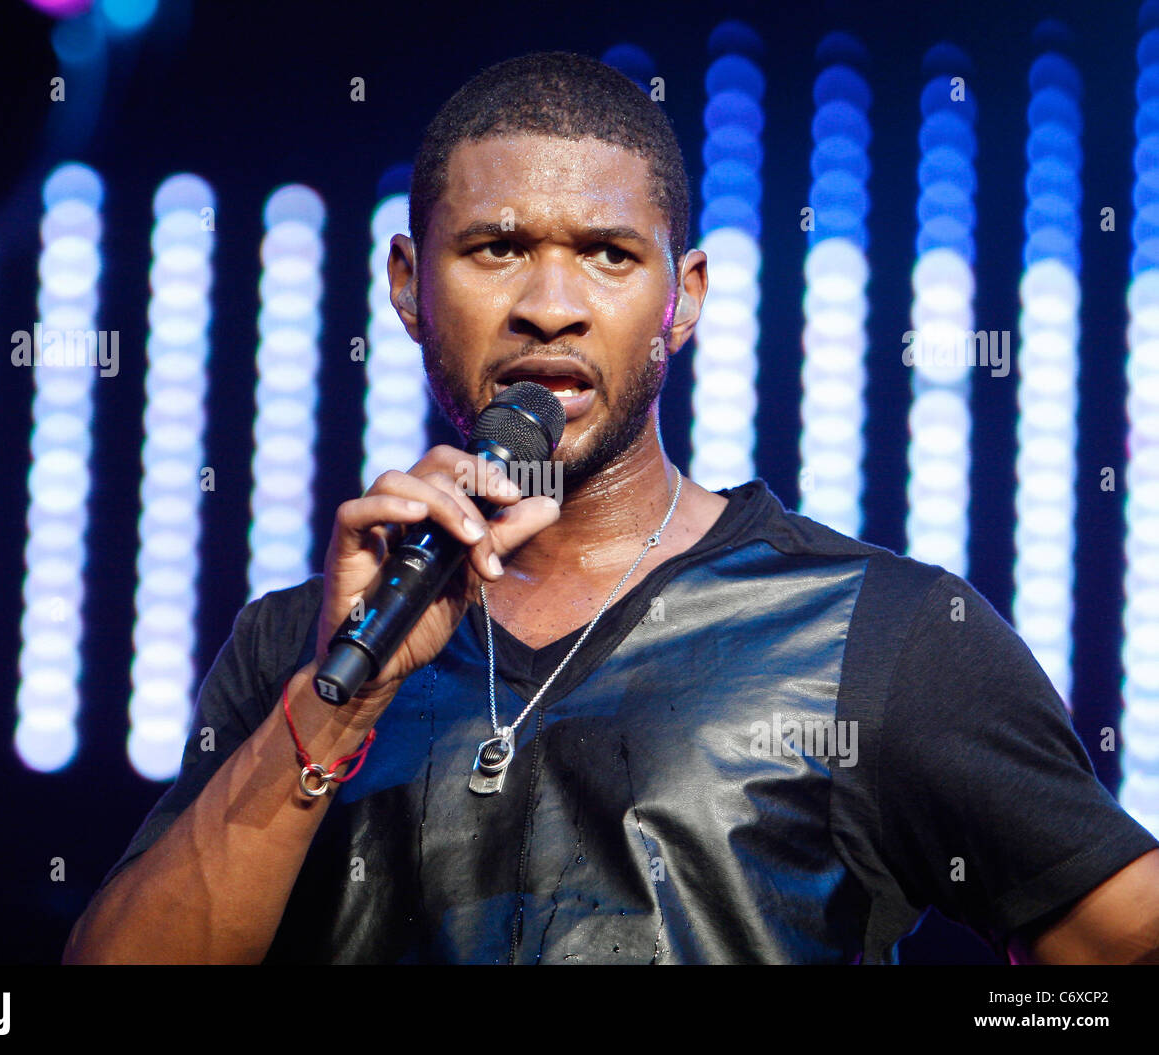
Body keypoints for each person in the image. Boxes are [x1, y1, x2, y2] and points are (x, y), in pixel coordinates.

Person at [63, 51, 1159, 965]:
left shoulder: (879, 632)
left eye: (606, 255)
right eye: (496, 248)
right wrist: (338, 702)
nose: (550, 306)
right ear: (406, 284)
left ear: (681, 298)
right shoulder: (299, 648)